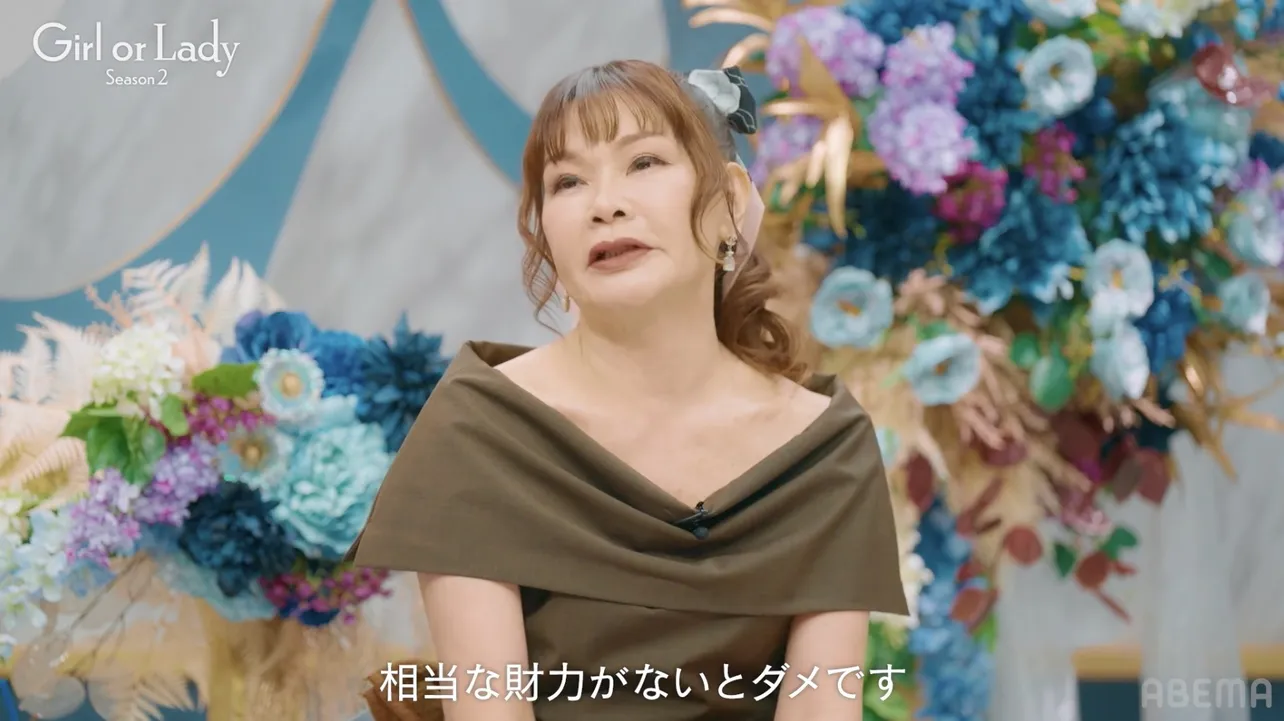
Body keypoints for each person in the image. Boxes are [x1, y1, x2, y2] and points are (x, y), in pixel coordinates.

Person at [347, 59, 909, 721]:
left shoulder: (823, 449)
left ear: (730, 202)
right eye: (568, 181)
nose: (604, 204)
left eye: (644, 163)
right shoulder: (480, 429)